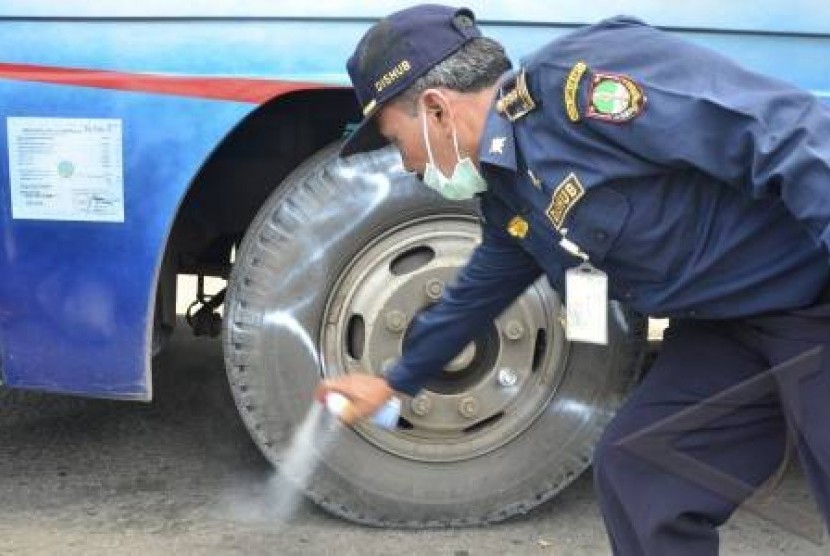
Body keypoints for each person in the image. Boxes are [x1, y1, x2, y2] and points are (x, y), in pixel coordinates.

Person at [316, 4, 830, 554]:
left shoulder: (581, 87)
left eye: (398, 142)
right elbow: (478, 290)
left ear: (437, 110)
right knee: (641, 469)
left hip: (815, 296)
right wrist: (395, 381)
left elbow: (788, 133)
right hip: (731, 327)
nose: (410, 165)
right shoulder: (507, 189)